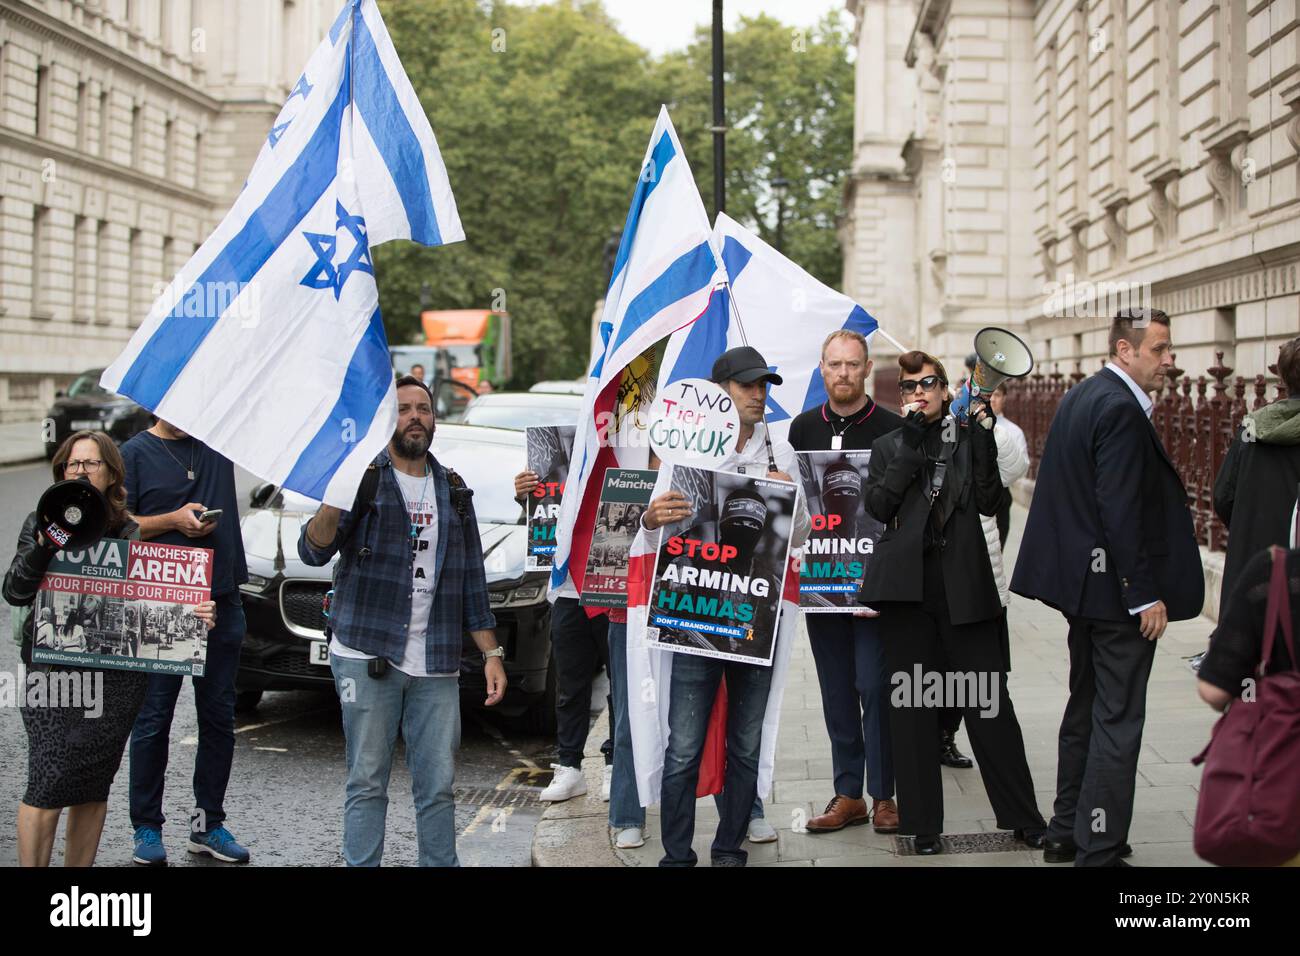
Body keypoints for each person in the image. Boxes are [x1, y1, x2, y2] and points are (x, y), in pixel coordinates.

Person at [1012, 309, 1203, 867]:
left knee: (1087, 709)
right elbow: (1118, 508)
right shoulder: (1119, 407)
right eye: (1160, 349)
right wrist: (1142, 593)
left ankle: (1066, 832)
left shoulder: (1085, 394)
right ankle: (1101, 848)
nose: (1170, 360)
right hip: (1117, 600)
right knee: (1117, 722)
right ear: (1126, 350)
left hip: (1084, 594)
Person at [300, 376, 504, 866]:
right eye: (403, 409)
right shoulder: (363, 478)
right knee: (367, 780)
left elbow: (470, 581)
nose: (415, 416)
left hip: (435, 660)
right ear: (386, 421)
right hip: (367, 652)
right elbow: (313, 550)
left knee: (438, 786)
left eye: (424, 409)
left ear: (435, 420)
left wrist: (491, 653)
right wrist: (334, 497)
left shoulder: (453, 489)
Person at [860, 351, 1046, 855]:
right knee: (914, 707)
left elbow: (989, 499)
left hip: (965, 590)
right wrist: (912, 443)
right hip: (908, 596)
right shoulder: (888, 445)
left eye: (927, 384)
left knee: (989, 705)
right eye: (908, 387)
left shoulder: (968, 438)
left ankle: (1024, 818)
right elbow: (879, 505)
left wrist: (983, 428)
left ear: (945, 389)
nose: (917, 392)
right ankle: (921, 826)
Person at [5, 431, 216, 867]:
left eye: (91, 464)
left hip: (116, 680)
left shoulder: (127, 530)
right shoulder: (39, 522)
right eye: (72, 465)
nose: (80, 472)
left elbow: (148, 602)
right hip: (53, 675)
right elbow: (15, 591)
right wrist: (47, 543)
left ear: (111, 474)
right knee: (47, 781)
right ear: (61, 472)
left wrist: (194, 614)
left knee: (92, 784)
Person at [648, 345, 812, 867]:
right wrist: (654, 519)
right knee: (683, 747)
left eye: (764, 385)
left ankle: (728, 849)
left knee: (745, 745)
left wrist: (795, 498)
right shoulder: (684, 451)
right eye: (748, 385)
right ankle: (676, 856)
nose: (759, 395)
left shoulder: (778, 451)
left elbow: (800, 534)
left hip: (754, 619)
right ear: (721, 391)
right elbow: (652, 536)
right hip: (695, 615)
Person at [786, 329, 902, 833]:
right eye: (834, 365)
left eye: (852, 365)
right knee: (836, 689)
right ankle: (847, 792)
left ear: (867, 368)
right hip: (823, 582)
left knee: (874, 686)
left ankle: (885, 795)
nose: (843, 374)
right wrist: (793, 546)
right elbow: (793, 504)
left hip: (874, 587)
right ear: (821, 368)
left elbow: (904, 511)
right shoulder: (802, 429)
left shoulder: (893, 429)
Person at [123, 416, 250, 866]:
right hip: (161, 604)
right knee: (153, 720)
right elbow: (121, 526)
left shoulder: (219, 441)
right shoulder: (134, 453)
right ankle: (146, 827)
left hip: (221, 599)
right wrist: (172, 520)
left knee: (218, 719)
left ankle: (207, 825)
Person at [512, 470, 613, 807]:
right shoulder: (561, 456)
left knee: (621, 684)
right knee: (571, 685)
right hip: (568, 589)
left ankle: (616, 764)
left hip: (613, 585)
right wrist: (526, 498)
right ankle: (569, 765)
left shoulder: (625, 445)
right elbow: (540, 518)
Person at [1213, 336, 1300, 604]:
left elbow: (1223, 497)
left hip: (1254, 575)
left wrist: (1252, 528)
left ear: (1282, 378)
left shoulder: (1251, 428)